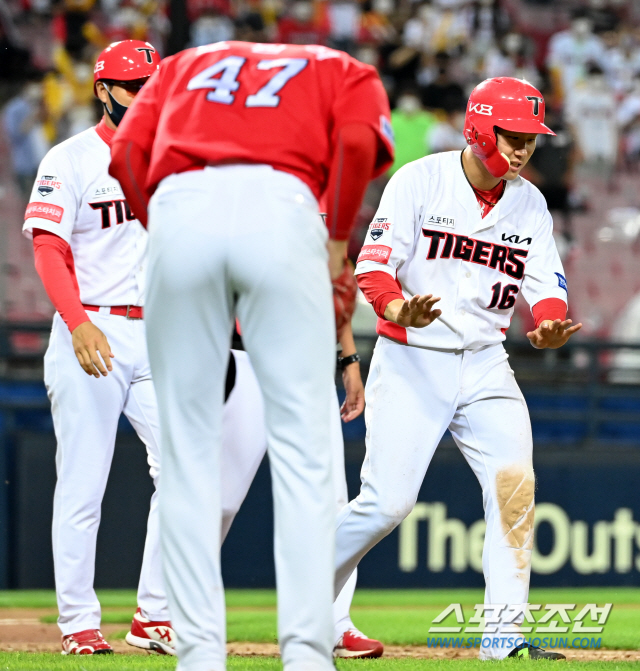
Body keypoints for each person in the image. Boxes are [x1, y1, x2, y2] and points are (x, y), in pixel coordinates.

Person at [109, 41, 394, 671]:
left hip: (179, 205)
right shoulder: (342, 68)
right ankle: (306, 654)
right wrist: (339, 243)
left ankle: (200, 656)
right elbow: (353, 142)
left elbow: (127, 154)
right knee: (305, 454)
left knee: (186, 456)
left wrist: (172, 235)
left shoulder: (184, 65)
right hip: (283, 205)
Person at [333, 77, 582, 661]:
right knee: (386, 505)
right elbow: (373, 267)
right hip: (413, 358)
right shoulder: (420, 181)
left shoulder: (530, 201)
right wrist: (397, 307)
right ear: (477, 126)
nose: (523, 150)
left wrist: (547, 322)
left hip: (487, 362)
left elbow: (547, 286)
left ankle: (504, 636)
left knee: (515, 488)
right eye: (513, 136)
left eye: (530, 140)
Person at [22, 40, 177, 656]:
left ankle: (153, 615)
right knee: (84, 485)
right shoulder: (71, 159)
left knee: (188, 471)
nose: (145, 99)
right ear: (103, 90)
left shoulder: (173, 160)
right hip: (93, 328)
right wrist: (77, 320)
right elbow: (48, 249)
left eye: (152, 88)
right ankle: (79, 624)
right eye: (133, 88)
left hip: (158, 333)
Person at [220, 283, 384, 659]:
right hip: (248, 359)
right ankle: (163, 611)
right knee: (221, 500)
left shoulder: (326, 225)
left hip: (311, 363)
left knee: (333, 503)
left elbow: (336, 288)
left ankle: (335, 623)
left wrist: (349, 360)